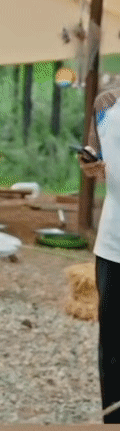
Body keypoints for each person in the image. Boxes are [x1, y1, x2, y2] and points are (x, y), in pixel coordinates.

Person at [81, 88, 120, 423]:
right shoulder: (106, 104)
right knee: (112, 344)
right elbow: (95, 160)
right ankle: (113, 421)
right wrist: (89, 162)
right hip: (113, 243)